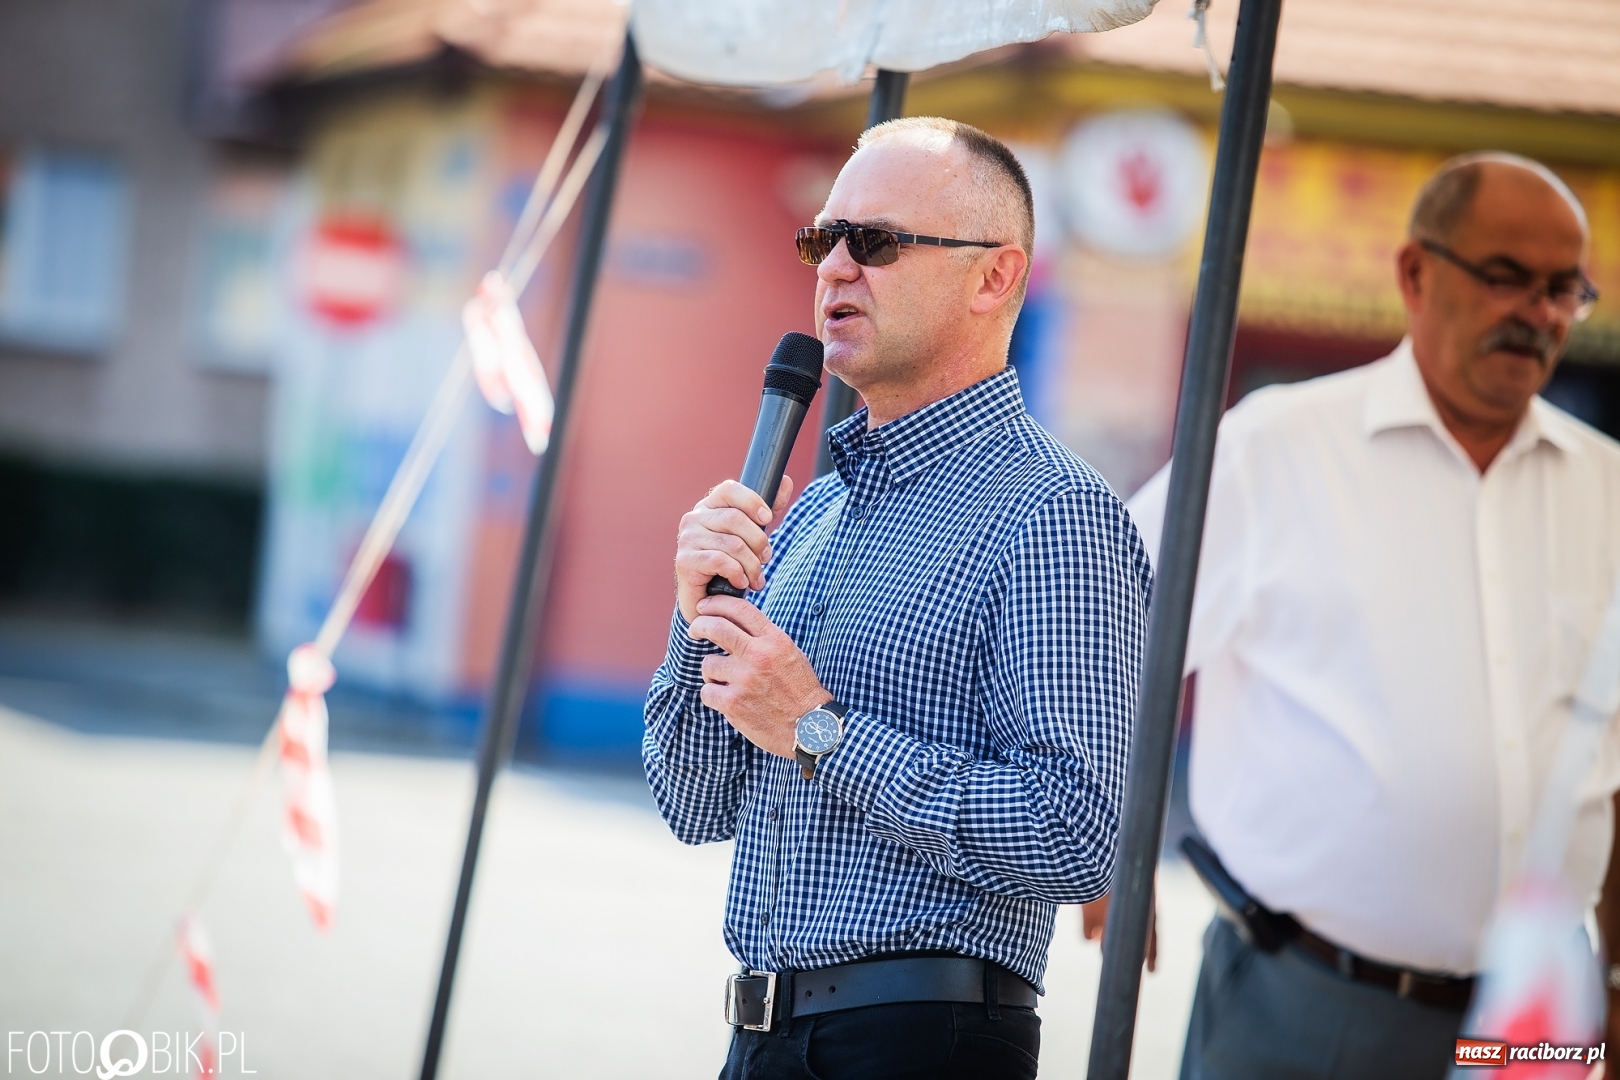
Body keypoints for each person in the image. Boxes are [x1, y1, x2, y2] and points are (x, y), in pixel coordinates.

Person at [643, 117, 1152, 1080]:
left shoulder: (1058, 518)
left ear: (993, 277)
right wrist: (693, 615)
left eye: (872, 242)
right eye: (820, 240)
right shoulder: (815, 510)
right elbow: (691, 800)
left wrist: (821, 730)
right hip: (761, 1031)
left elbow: (1081, 833)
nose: (834, 267)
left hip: (922, 1039)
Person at [1099, 152, 1620, 1079]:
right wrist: (1111, 845)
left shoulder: (1607, 491)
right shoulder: (1276, 449)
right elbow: (1101, 637)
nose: (1537, 313)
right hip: (1307, 1002)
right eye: (1505, 277)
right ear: (1416, 273)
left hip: (1537, 1025)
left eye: (1561, 289)